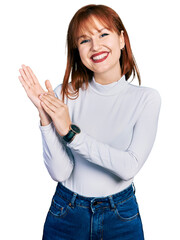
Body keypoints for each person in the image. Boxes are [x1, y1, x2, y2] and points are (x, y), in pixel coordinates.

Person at [18, 4, 161, 240]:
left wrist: (70, 133)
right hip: (66, 213)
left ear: (122, 39)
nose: (95, 46)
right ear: (77, 49)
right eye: (84, 40)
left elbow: (129, 167)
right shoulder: (64, 95)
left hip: (121, 216)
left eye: (103, 34)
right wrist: (44, 116)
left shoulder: (146, 99)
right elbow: (60, 172)